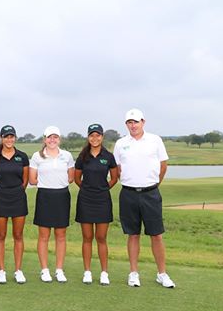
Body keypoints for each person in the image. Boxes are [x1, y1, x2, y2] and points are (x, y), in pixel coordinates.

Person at [113, 108, 176, 288]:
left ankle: (162, 274)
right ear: (126, 124)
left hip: (150, 193)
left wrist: (154, 184)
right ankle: (133, 273)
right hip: (128, 193)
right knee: (133, 234)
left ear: (143, 122)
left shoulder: (155, 140)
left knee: (156, 234)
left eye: (136, 122)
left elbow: (163, 166)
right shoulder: (120, 143)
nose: (133, 125)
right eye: (129, 123)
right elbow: (117, 168)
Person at [29, 126, 74, 283]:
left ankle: (59, 270)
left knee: (61, 235)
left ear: (59, 139)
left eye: (55, 137)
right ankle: (44, 270)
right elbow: (32, 180)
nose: (52, 140)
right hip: (44, 196)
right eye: (49, 137)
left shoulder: (66, 155)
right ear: (44, 139)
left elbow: (71, 178)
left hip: (62, 196)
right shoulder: (37, 156)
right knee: (44, 235)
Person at [74, 124, 118, 285]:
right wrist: (88, 189)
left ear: (102, 137)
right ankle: (87, 272)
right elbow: (77, 178)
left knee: (101, 237)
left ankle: (104, 273)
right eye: (92, 135)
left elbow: (114, 178)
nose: (95, 138)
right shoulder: (82, 156)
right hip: (85, 199)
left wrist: (102, 189)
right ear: (88, 137)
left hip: (103, 200)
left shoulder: (108, 156)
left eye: (97, 135)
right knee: (87, 237)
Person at [0, 125, 29, 284]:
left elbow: (25, 180)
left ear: (15, 138)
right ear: (1, 138)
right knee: (1, 235)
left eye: (12, 137)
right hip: (1, 199)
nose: (9, 139)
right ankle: (1, 271)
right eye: (6, 137)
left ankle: (18, 270)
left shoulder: (22, 156)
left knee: (18, 235)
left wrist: (18, 192)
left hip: (18, 199)